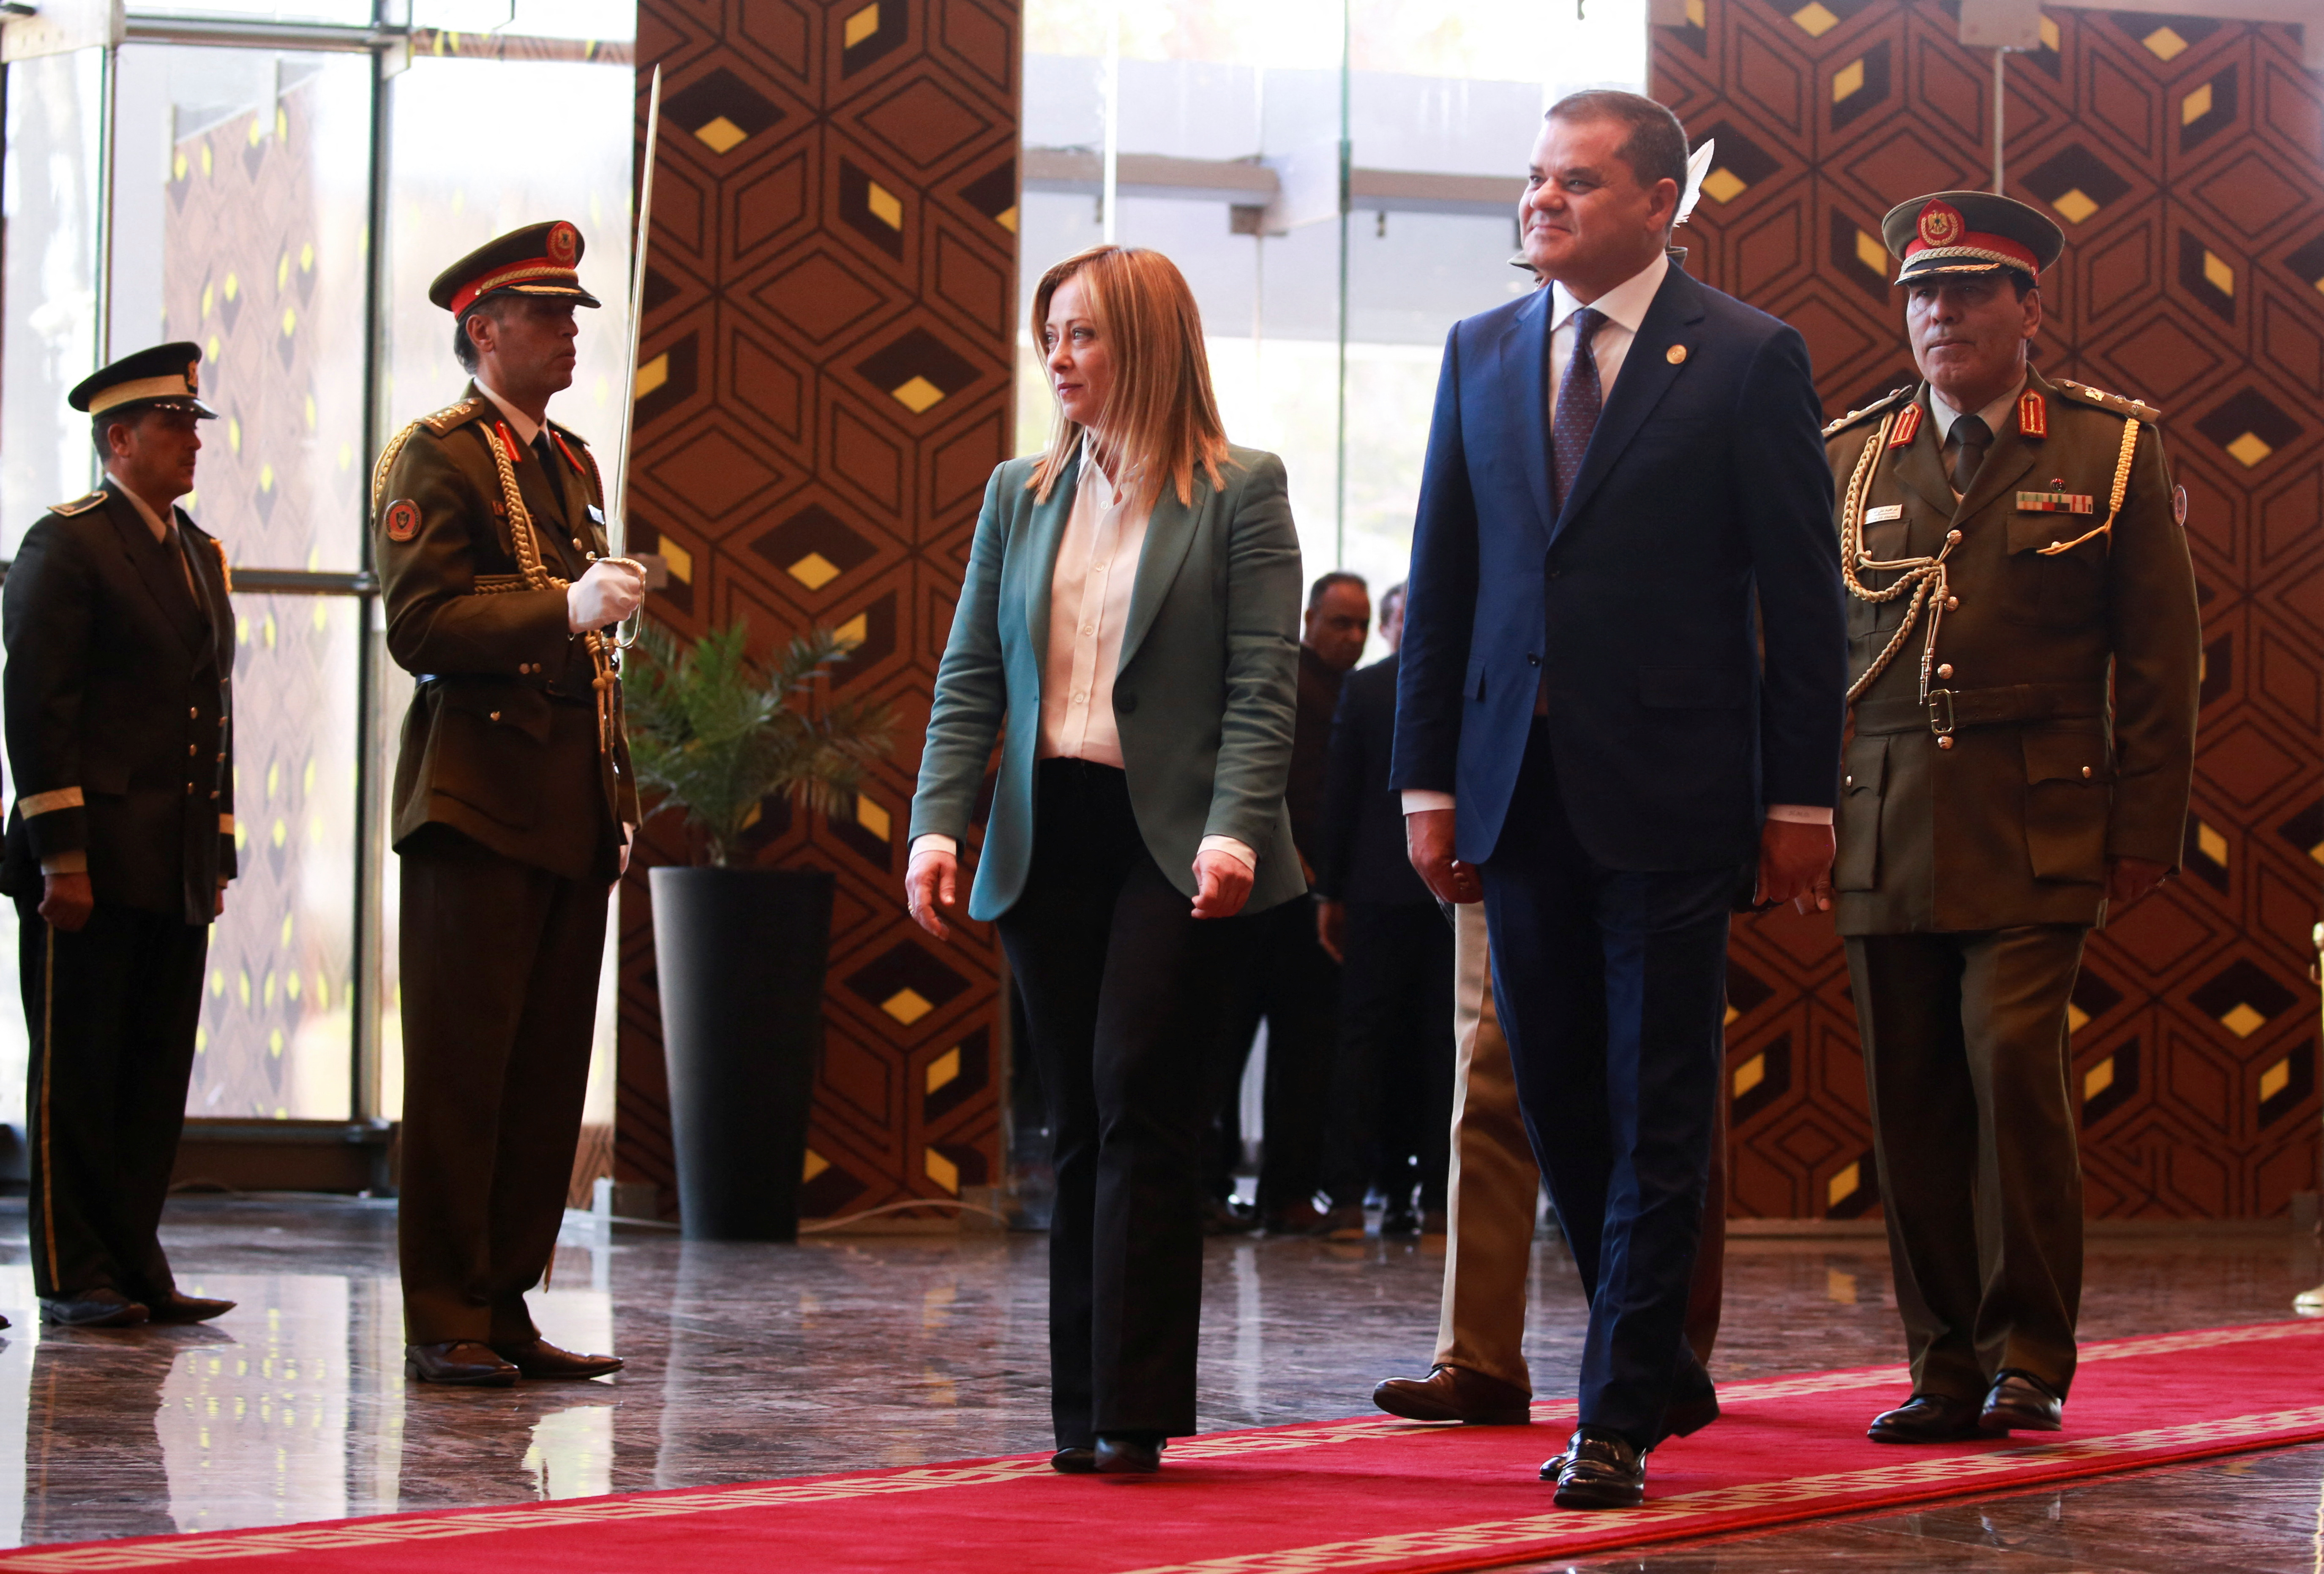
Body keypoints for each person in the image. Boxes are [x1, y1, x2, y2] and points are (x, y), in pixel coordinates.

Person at [1393, 90, 1846, 1506]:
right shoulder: (1478, 353)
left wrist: (1803, 802)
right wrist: (1425, 785)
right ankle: (1657, 1361)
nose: (1543, 203)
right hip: (1514, 795)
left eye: (1576, 183)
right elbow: (1446, 582)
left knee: (1658, 1101)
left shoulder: (1749, 357)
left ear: (1661, 202)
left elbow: (1802, 600)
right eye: (1535, 180)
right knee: (1561, 1096)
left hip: (1676, 791)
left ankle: (1613, 1414)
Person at [905, 243, 1303, 1476]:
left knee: (1142, 1087)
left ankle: (1136, 1405)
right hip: (1047, 833)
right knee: (1075, 1114)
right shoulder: (1018, 491)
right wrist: (935, 824)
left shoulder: (1241, 488)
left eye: (1083, 335)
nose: (1059, 359)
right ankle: (1081, 1413)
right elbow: (973, 670)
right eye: (1052, 336)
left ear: (1147, 343)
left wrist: (1238, 829)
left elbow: (1262, 686)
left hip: (1179, 840)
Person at [1820, 192, 2198, 1444]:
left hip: (2040, 820)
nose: (1943, 316)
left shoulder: (2109, 451)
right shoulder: (1854, 455)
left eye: (1972, 291)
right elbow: (1807, 658)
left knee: (2010, 1068)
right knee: (1912, 1094)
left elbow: (2158, 657)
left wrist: (2146, 823)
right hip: (1882, 822)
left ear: (2031, 307)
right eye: (1923, 295)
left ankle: (2028, 1351)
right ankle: (1939, 1363)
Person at [375, 221, 643, 1386]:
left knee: (540, 1075)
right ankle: (445, 1309)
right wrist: (563, 609)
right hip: (474, 804)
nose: (569, 331)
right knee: (462, 1071)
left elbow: (589, 660)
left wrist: (614, 792)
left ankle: (506, 1297)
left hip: (564, 807)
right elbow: (419, 626)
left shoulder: (568, 462)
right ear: (482, 329)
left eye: (574, 313)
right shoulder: (433, 457)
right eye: (547, 314)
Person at [0, 342, 239, 1331]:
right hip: (88, 859)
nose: (191, 441)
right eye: (173, 425)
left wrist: (214, 852)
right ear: (118, 439)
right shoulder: (69, 543)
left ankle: (137, 1259)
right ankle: (74, 1268)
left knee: (152, 1069)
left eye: (193, 424)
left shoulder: (197, 550)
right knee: (80, 1067)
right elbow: (37, 706)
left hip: (170, 856)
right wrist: (62, 854)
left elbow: (211, 712)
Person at [1370, 901, 1732, 1441]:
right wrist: (1430, 811)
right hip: (1505, 827)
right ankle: (1477, 1357)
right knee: (1488, 1066)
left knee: (1664, 1074)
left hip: (1657, 833)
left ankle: (1665, 1352)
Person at [1205, 571, 1367, 1237]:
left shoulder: (1359, 693)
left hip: (1323, 900)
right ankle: (1207, 1188)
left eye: (1361, 625)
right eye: (1339, 623)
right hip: (1257, 892)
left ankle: (1288, 1194)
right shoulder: (1276, 681)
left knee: (1309, 1053)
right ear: (1307, 619)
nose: (1352, 637)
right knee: (1222, 1043)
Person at [1315, 581, 1453, 1237]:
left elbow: (1339, 798)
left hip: (1373, 893)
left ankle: (1347, 1197)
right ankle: (1438, 1201)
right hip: (1453, 888)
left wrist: (1330, 892)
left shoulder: (1366, 690)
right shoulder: (1468, 684)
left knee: (1361, 1046)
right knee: (1443, 1045)